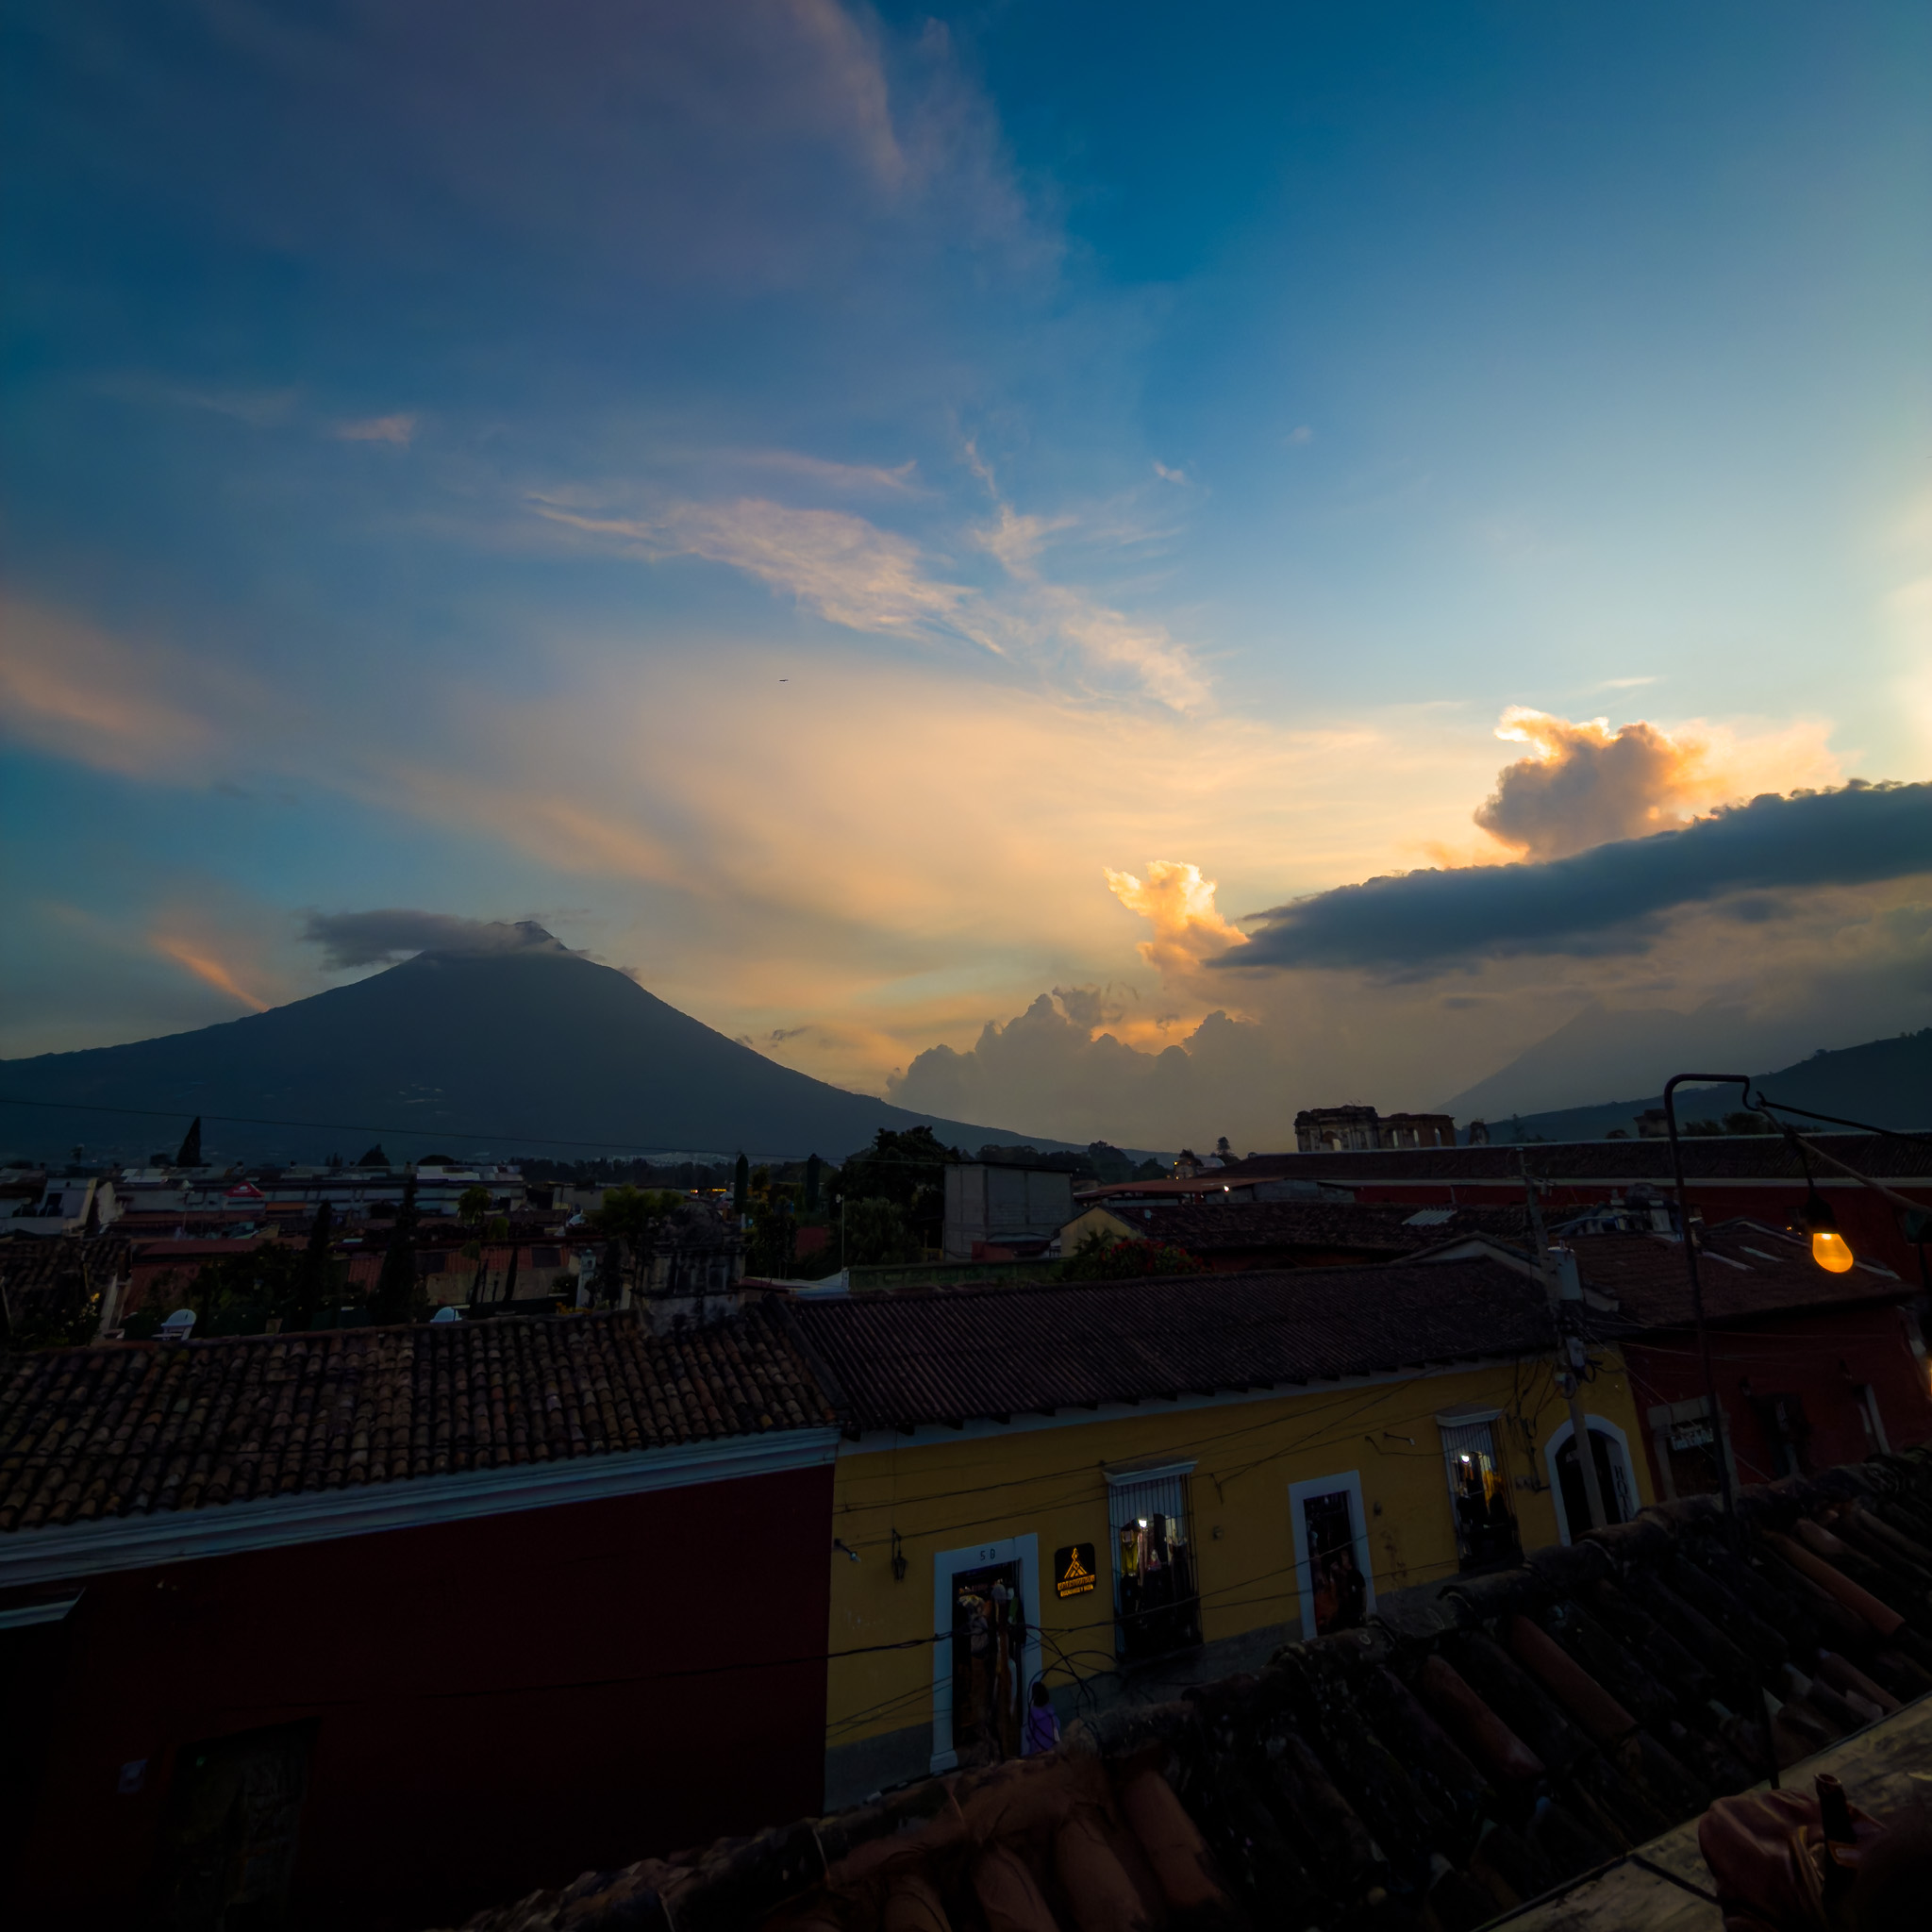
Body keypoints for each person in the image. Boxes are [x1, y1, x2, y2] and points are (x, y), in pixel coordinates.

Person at [1023, 1681, 1060, 1757]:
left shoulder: (1033, 1714)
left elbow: (1028, 1733)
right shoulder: (1051, 1713)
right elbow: (1057, 1727)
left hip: (1037, 1752)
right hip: (1052, 1751)